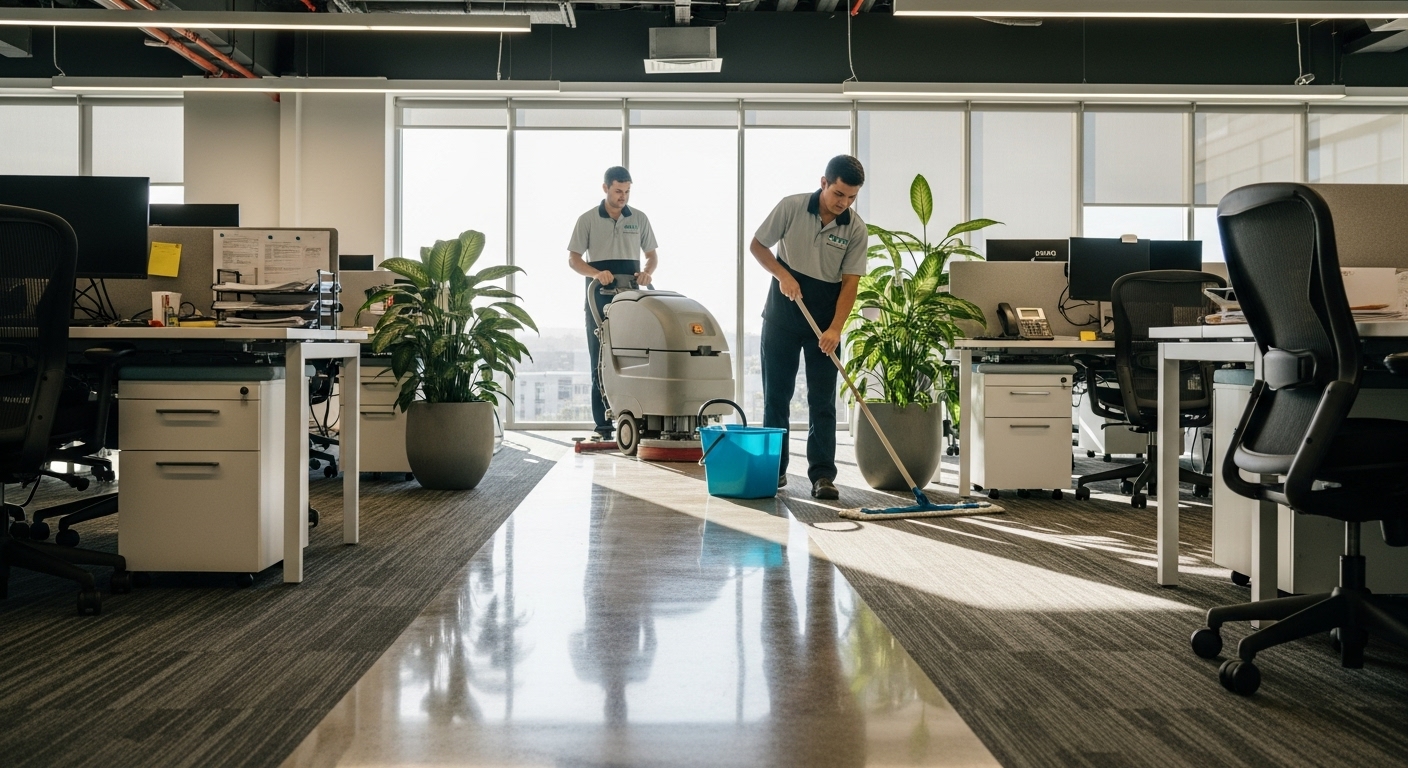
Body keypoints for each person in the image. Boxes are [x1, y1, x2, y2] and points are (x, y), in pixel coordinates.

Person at [749, 155, 868, 500]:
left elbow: (850, 284)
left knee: (823, 401)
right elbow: (757, 245)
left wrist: (835, 329)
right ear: (824, 183)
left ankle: (823, 476)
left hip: (824, 323)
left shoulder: (855, 229)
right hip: (782, 315)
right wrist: (783, 275)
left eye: (851, 197)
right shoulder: (791, 207)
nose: (843, 203)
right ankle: (776, 470)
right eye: (839, 194)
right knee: (777, 398)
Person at [568, 166, 659, 439]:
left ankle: (634, 419)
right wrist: (596, 273)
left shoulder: (639, 219)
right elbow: (573, 259)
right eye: (618, 191)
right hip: (598, 297)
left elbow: (652, 256)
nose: (623, 197)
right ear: (605, 188)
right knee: (599, 357)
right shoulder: (587, 219)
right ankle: (604, 424)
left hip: (631, 296)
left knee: (633, 356)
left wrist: (647, 272)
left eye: (627, 191)